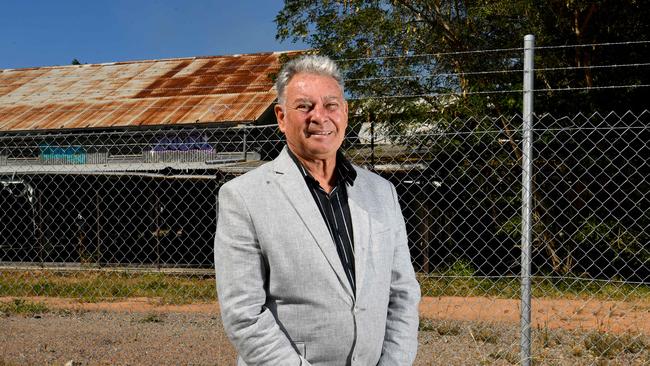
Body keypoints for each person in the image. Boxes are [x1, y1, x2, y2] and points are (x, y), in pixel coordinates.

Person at [214, 55, 421, 366]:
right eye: (304, 106)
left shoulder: (381, 193)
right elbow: (244, 314)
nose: (319, 117)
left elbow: (403, 292)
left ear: (345, 113)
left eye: (330, 105)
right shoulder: (244, 197)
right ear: (281, 117)